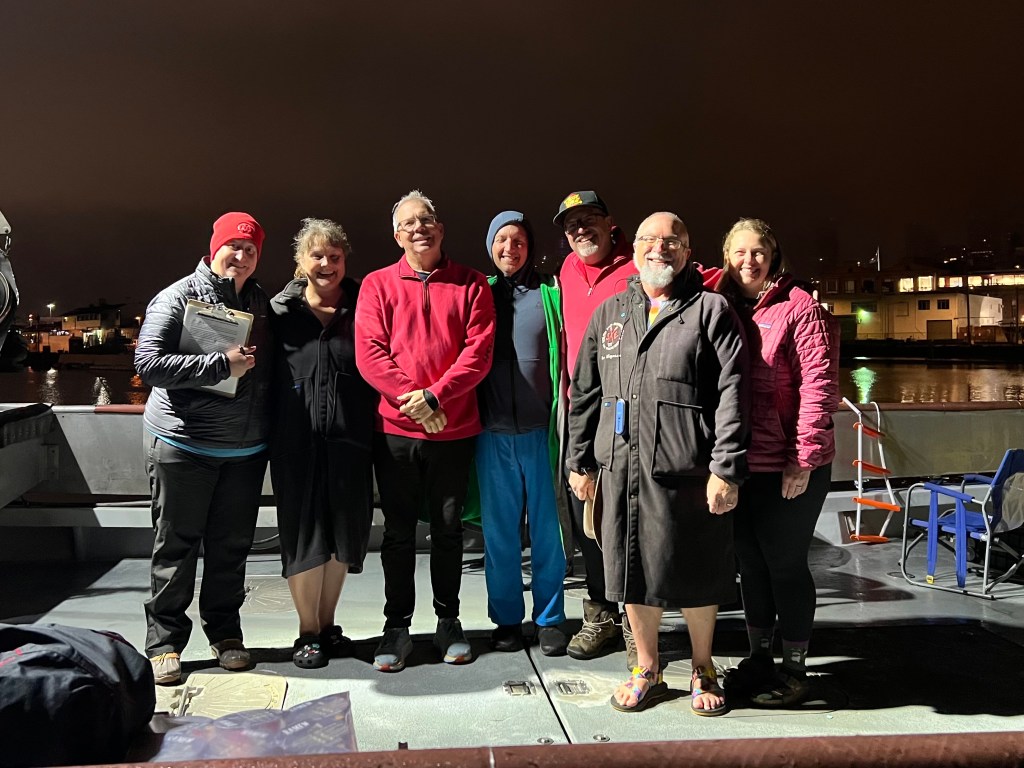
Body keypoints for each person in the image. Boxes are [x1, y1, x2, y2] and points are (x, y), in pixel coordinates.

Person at [566, 212, 748, 715]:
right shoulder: (611, 313)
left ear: (688, 252)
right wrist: (578, 461)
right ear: (635, 248)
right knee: (631, 571)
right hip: (618, 467)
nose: (659, 249)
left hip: (687, 468)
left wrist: (725, 467)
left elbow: (733, 392)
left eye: (672, 241)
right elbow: (583, 392)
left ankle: (703, 666)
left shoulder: (711, 310)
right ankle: (646, 667)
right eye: (649, 240)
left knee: (697, 570)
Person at [355, 190, 495, 672]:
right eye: (409, 222)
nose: (420, 228)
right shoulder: (376, 285)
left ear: (441, 228)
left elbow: (477, 354)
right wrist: (416, 404)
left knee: (449, 531)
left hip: (453, 430)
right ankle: (397, 627)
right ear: (397, 235)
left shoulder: (473, 284)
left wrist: (436, 397)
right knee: (396, 534)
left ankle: (448, 621)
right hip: (395, 433)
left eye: (428, 219)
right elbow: (371, 354)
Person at [135, 212, 272, 685]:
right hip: (183, 445)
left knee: (231, 550)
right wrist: (220, 365)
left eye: (251, 250)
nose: (241, 256)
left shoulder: (260, 302)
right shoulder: (175, 298)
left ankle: (226, 634)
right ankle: (165, 643)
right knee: (175, 548)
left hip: (244, 452)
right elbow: (148, 364)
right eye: (233, 246)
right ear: (214, 248)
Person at [711, 218, 840, 707]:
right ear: (726, 256)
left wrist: (803, 459)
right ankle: (759, 656)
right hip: (742, 462)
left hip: (789, 461)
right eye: (739, 252)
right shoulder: (721, 304)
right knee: (750, 563)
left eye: (759, 251)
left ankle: (795, 669)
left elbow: (818, 384)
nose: (749, 261)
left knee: (785, 564)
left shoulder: (799, 307)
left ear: (774, 254)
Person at [269, 218, 377, 669]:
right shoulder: (277, 313)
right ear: (300, 262)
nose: (327, 264)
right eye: (317, 256)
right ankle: (306, 631)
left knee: (342, 536)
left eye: (334, 257)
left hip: (351, 440)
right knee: (303, 537)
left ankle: (329, 624)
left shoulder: (365, 306)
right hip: (295, 443)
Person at [474, 210, 568, 656]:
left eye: (519, 241)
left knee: (549, 532)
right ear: (490, 245)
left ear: (530, 246)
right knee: (500, 534)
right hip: (492, 433)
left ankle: (550, 617)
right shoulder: (480, 293)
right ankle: (507, 618)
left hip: (540, 432)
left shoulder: (551, 293)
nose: (510, 248)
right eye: (501, 241)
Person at [553, 190, 638, 662]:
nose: (580, 230)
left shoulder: (637, 266)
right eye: (571, 225)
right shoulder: (566, 271)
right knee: (588, 517)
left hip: (630, 415)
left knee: (629, 521)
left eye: (589, 219)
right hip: (579, 412)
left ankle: (635, 620)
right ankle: (601, 612)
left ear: (610, 223)